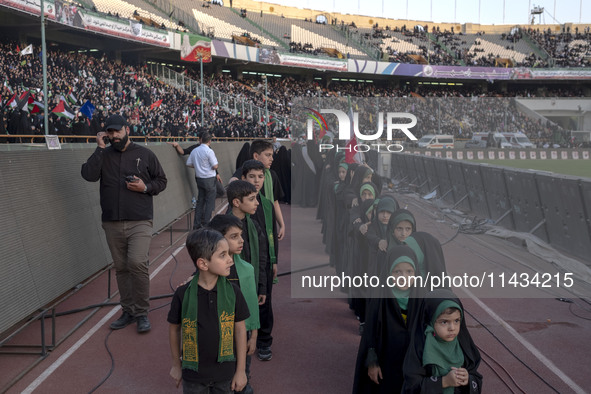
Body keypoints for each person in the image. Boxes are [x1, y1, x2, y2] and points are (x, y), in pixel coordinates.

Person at [81, 113, 167, 333]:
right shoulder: (104, 154)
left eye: (117, 131)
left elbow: (161, 180)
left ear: (127, 130)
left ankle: (141, 312)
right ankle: (128, 310)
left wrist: (145, 187)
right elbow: (89, 175)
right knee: (121, 268)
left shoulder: (145, 154)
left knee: (137, 263)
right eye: (110, 132)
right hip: (112, 221)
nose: (113, 135)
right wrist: (99, 148)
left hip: (140, 219)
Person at [168, 229, 249, 393]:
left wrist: (241, 371)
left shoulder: (233, 292)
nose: (230, 260)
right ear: (203, 264)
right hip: (193, 375)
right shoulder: (182, 294)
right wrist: (176, 365)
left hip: (225, 374)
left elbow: (240, 330)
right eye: (223, 255)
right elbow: (174, 329)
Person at [353, 246, 423, 394]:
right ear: (388, 273)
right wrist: (372, 362)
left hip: (413, 365)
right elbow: (370, 336)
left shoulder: (421, 300)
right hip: (387, 362)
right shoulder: (380, 300)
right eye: (397, 272)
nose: (404, 276)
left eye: (409, 272)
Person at [207, 214, 260, 394]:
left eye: (241, 235)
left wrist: (253, 336)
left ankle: (245, 382)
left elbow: (252, 305)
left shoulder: (246, 269)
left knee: (242, 368)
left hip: (240, 333)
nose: (241, 241)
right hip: (215, 336)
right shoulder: (205, 272)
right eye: (234, 236)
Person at [402, 289, 482, 393]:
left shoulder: (463, 345)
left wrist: (467, 379)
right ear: (430, 321)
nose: (452, 328)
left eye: (456, 321)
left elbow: (475, 376)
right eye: (444, 322)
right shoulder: (421, 347)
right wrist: (444, 382)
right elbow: (412, 385)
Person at [226, 180, 271, 361]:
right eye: (252, 199)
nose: (257, 203)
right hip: (228, 285)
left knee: (245, 329)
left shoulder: (254, 226)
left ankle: (244, 373)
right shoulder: (220, 227)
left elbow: (261, 259)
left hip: (248, 285)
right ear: (237, 202)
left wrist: (261, 286)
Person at [240, 160, 278, 362]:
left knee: (264, 301)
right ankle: (243, 339)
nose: (257, 181)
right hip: (242, 265)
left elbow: (271, 235)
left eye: (260, 177)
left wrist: (274, 260)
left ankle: (264, 340)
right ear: (243, 177)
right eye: (252, 176)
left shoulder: (266, 205)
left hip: (263, 263)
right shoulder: (236, 206)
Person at [186, 133, 221, 229]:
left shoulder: (194, 150)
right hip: (209, 178)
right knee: (209, 202)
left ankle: (196, 224)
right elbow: (215, 166)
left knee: (200, 201)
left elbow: (188, 163)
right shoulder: (209, 151)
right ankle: (206, 223)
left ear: (201, 140)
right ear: (209, 141)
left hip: (199, 178)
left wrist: (197, 166)